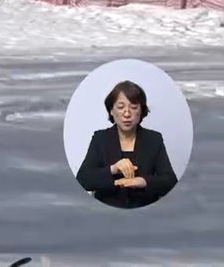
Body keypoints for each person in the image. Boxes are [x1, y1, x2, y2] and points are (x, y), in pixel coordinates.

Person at [76, 80, 178, 209]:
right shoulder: (100, 138)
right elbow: (83, 179)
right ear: (111, 111)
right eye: (120, 107)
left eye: (134, 107)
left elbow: (170, 181)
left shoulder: (153, 139)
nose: (127, 113)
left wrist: (144, 182)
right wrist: (112, 169)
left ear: (141, 111)